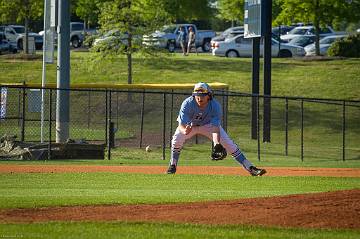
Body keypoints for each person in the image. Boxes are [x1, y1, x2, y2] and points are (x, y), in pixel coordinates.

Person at [166, 82, 266, 176]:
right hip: (190, 125)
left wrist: (216, 144)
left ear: (209, 95)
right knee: (176, 140)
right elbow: (181, 125)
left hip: (208, 125)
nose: (200, 98)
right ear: (193, 95)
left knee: (229, 144)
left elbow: (215, 128)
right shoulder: (187, 103)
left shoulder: (215, 106)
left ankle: (250, 167)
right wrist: (184, 131)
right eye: (197, 95)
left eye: (203, 95)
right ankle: (173, 165)